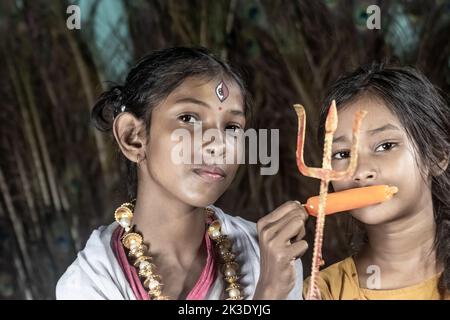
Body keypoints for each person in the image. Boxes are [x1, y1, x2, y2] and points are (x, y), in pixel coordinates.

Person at [56, 47, 309, 300]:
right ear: (133, 137)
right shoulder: (89, 284)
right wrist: (269, 293)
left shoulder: (268, 257)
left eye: (232, 127)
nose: (219, 143)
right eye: (188, 118)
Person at [304, 63, 450, 300]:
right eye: (342, 154)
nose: (360, 171)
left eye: (385, 146)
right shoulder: (322, 292)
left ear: (436, 156)